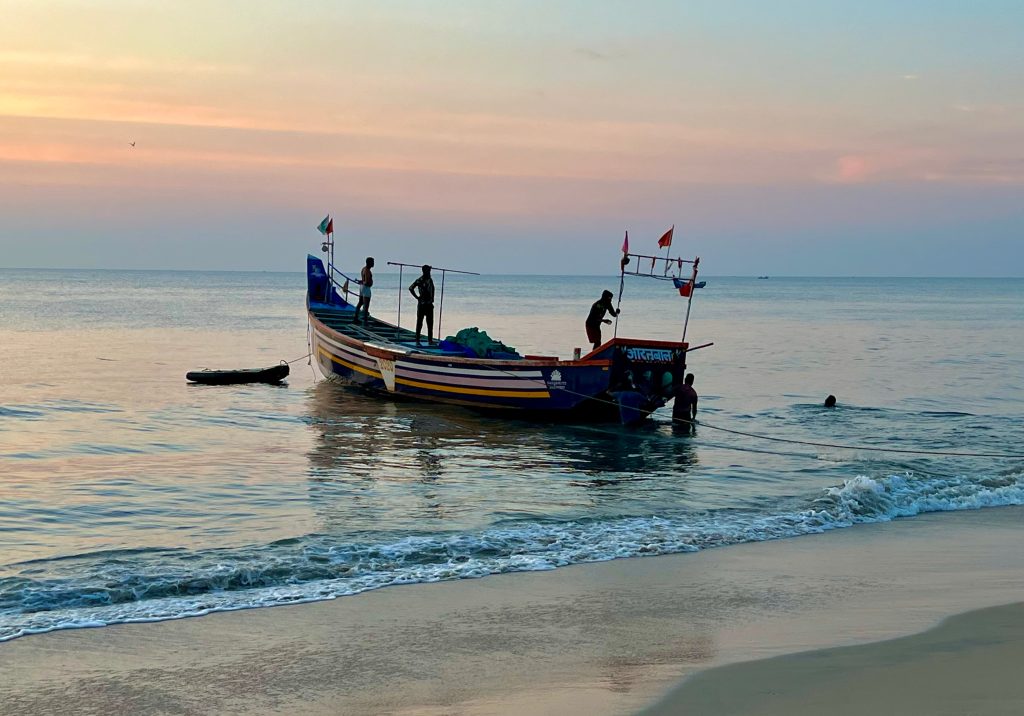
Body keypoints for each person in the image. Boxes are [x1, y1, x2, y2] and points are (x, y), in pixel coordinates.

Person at [409, 264, 435, 346]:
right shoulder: (420, 280)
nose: (430, 272)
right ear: (425, 271)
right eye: (428, 271)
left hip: (429, 304)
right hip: (422, 304)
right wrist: (417, 297)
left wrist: (432, 299)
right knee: (420, 322)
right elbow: (411, 288)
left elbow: (432, 290)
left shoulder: (430, 280)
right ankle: (417, 340)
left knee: (430, 323)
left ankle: (430, 340)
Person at [354, 257, 374, 324]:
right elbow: (366, 281)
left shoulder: (363, 269)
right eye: (372, 262)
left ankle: (356, 318)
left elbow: (363, 280)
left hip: (362, 288)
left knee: (360, 303)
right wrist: (368, 283)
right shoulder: (367, 270)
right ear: (369, 262)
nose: (373, 263)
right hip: (366, 288)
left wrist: (360, 281)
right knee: (366, 305)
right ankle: (365, 322)